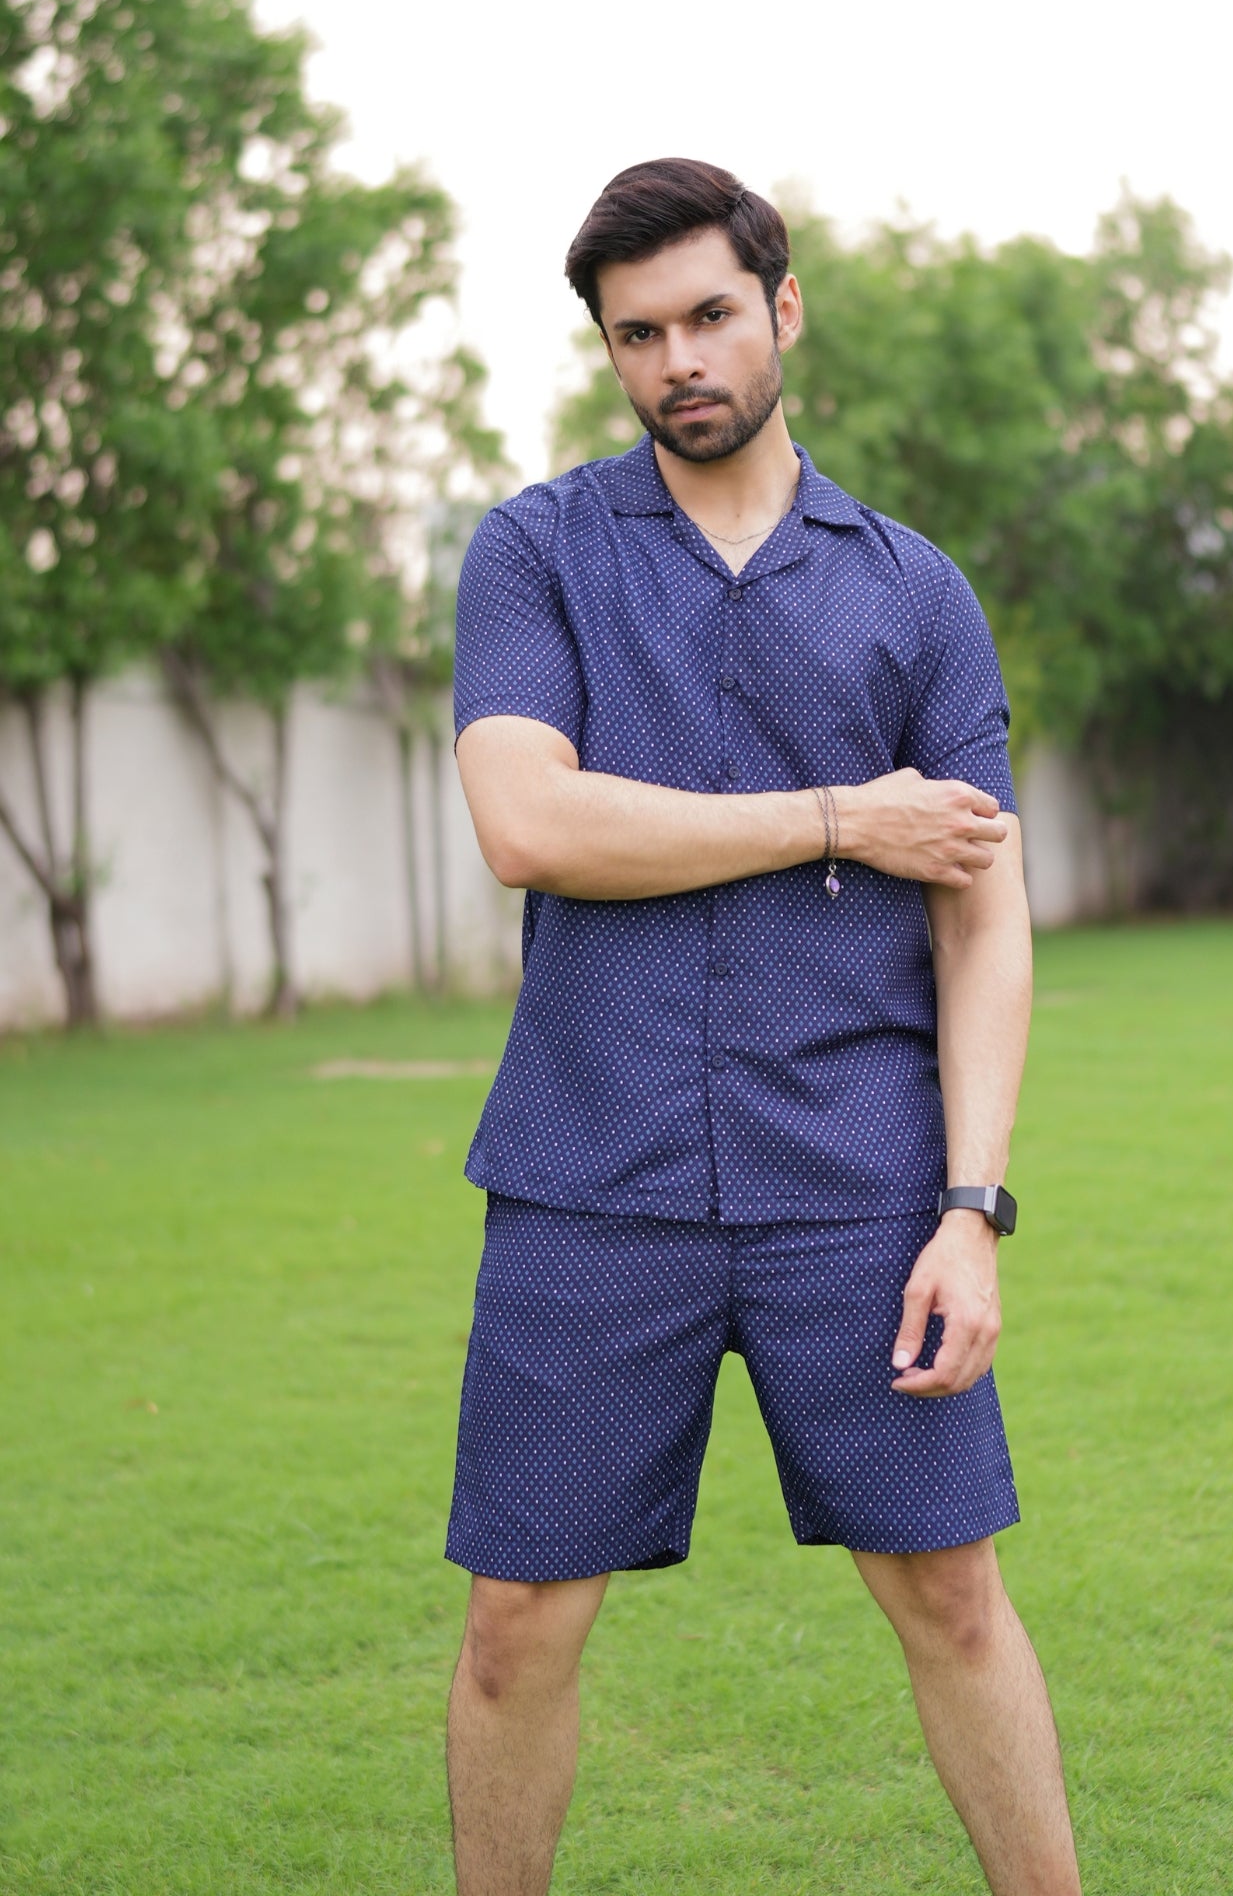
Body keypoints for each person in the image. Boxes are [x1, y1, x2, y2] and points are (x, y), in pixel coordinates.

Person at [444, 157, 1081, 1896]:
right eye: (638, 334)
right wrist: (838, 819)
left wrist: (973, 1207)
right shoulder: (534, 554)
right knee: (514, 1628)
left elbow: (984, 915)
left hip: (859, 1188)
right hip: (590, 1180)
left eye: (711, 315)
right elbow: (530, 823)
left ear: (783, 309)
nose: (680, 361)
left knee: (954, 1597)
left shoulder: (916, 592)